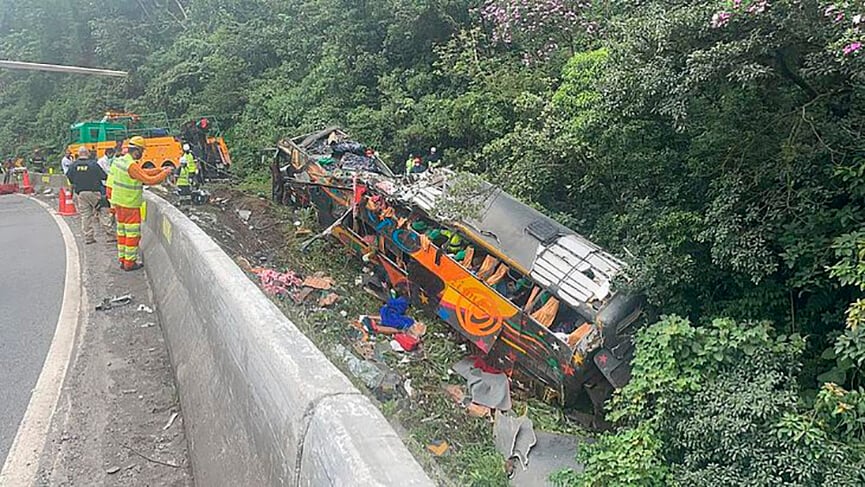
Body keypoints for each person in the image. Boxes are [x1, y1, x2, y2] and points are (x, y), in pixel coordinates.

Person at [109, 136, 172, 271]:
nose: (143, 154)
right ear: (137, 151)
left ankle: (122, 259)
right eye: (142, 151)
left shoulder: (120, 161)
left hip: (118, 204)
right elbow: (149, 180)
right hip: (130, 205)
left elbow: (141, 173)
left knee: (122, 233)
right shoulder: (131, 165)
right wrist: (165, 173)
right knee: (133, 235)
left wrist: (159, 169)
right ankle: (129, 263)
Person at [67, 147, 114, 244]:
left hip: (81, 194)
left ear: (79, 154)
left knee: (85, 215)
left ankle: (88, 237)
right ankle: (110, 234)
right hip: (94, 192)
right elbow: (104, 176)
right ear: (87, 154)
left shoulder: (73, 165)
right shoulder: (93, 164)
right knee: (103, 211)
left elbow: (70, 178)